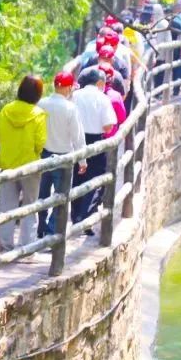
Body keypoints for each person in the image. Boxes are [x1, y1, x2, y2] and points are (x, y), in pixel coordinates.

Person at [0, 76, 46, 251]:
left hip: (7, 165)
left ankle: (5, 245)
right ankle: (27, 245)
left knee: (6, 207)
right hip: (30, 166)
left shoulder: (6, 110)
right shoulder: (38, 114)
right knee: (30, 205)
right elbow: (40, 143)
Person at [37, 72, 87, 237]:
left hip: (43, 155)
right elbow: (77, 136)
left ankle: (40, 226)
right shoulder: (70, 108)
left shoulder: (41, 103)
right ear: (68, 88)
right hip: (64, 157)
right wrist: (82, 160)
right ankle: (52, 231)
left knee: (42, 194)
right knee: (61, 196)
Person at [70, 69, 117, 230]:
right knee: (95, 178)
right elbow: (108, 126)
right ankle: (86, 216)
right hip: (95, 141)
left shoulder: (75, 95)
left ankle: (75, 215)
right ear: (100, 82)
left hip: (76, 140)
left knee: (77, 177)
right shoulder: (103, 98)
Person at [99, 62, 128, 137]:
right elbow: (122, 119)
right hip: (110, 138)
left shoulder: (89, 93)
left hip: (89, 137)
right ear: (112, 78)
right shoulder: (116, 96)